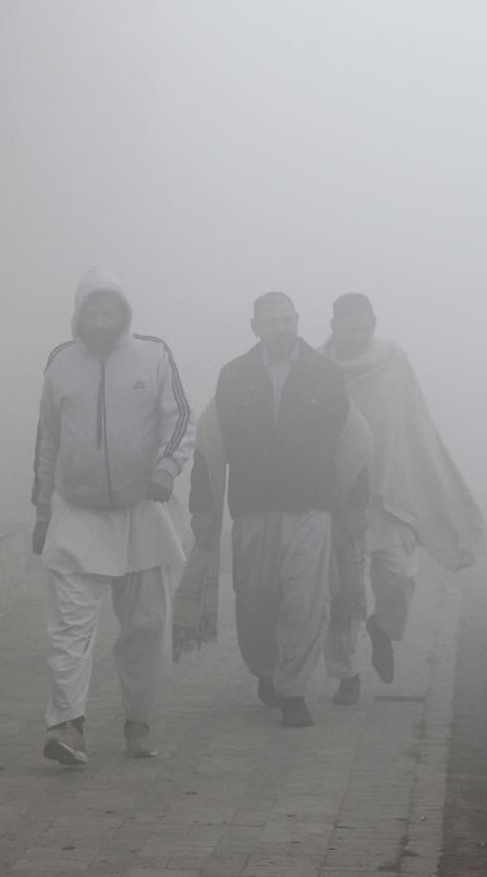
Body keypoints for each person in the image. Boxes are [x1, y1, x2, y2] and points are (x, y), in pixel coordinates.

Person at [31, 269, 194, 765]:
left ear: (124, 314)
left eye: (110, 312)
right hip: (77, 513)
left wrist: (167, 469)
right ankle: (67, 726)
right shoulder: (61, 363)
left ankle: (138, 720)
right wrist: (42, 513)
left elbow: (180, 418)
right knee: (70, 628)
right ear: (79, 316)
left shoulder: (154, 355)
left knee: (145, 625)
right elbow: (47, 441)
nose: (101, 321)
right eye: (92, 312)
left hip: (141, 512)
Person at [187, 292, 365, 727]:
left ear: (299, 321)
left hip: (312, 507)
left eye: (287, 319)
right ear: (255, 328)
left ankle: (293, 690)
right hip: (254, 507)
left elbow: (354, 444)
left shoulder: (325, 375)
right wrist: (204, 509)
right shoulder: (235, 377)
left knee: (307, 600)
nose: (281, 328)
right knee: (254, 603)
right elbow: (209, 446)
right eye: (272, 321)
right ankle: (265, 669)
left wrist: (353, 508)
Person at [323, 293, 487, 700]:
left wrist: (426, 480)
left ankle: (383, 628)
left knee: (398, 578)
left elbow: (415, 421)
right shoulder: (317, 367)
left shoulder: (393, 361)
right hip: (336, 498)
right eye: (348, 328)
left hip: (387, 493)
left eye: (363, 328)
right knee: (339, 589)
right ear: (333, 326)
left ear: (373, 326)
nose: (356, 335)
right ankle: (346, 675)